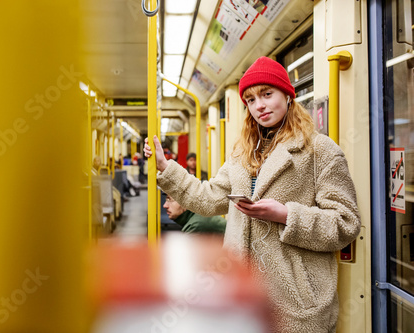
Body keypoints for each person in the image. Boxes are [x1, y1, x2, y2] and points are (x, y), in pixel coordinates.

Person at [144, 56, 361, 332]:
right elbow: (208, 198)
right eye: (250, 100)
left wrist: (285, 215)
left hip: (295, 305)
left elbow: (345, 222)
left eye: (267, 94)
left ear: (287, 94)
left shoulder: (320, 151)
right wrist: (166, 168)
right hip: (241, 294)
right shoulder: (242, 153)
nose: (259, 106)